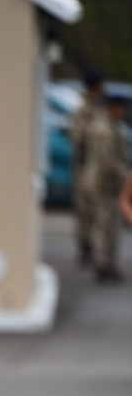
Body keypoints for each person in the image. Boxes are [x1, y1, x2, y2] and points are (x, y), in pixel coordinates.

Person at [83, 93, 130, 281]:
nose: (123, 111)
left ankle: (108, 263)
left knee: (111, 225)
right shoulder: (104, 129)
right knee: (105, 225)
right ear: (112, 107)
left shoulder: (115, 126)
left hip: (110, 184)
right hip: (103, 183)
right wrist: (127, 177)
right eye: (120, 107)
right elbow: (107, 161)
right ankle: (103, 266)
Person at [70, 69, 106, 265]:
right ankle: (85, 246)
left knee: (96, 207)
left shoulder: (99, 107)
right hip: (85, 164)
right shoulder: (84, 109)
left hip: (96, 164)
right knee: (85, 207)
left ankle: (94, 246)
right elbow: (77, 137)